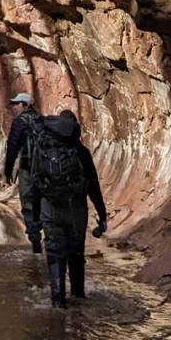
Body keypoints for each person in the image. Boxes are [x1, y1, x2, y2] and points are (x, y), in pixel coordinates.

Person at [34, 108, 107, 309]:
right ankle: (78, 296)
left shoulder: (44, 148)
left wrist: (35, 218)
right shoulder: (81, 152)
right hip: (76, 210)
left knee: (55, 257)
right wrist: (102, 215)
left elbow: (35, 184)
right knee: (76, 254)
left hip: (51, 209)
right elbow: (93, 186)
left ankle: (58, 303)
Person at [3, 92, 43, 253]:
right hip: (45, 170)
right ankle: (51, 244)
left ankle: (36, 245)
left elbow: (12, 147)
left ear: (25, 105)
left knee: (28, 204)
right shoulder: (42, 120)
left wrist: (8, 172)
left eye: (17, 104)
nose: (14, 107)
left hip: (27, 169)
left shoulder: (19, 122)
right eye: (14, 104)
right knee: (43, 204)